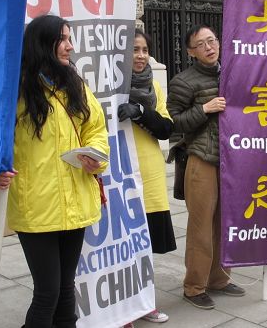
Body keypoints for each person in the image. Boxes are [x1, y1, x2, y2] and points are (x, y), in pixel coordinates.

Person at [0, 15, 109, 328]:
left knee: (66, 289)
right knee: (47, 292)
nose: (71, 46)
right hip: (37, 207)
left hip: (76, 199)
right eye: (64, 39)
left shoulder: (74, 82)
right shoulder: (12, 89)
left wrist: (97, 157)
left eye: (70, 38)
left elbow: (96, 128)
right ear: (43, 43)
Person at [167, 24, 245, 310]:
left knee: (225, 223)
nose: (209, 47)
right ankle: (194, 286)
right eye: (201, 44)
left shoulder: (234, 73)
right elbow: (174, 124)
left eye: (212, 40)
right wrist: (205, 109)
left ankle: (220, 279)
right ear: (191, 52)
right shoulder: (183, 82)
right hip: (201, 159)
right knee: (201, 226)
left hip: (232, 159)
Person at [118, 29, 176, 326]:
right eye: (133, 49)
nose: (140, 55)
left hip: (149, 172)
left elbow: (166, 128)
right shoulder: (108, 86)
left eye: (144, 49)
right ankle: (120, 308)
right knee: (120, 244)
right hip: (119, 174)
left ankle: (144, 304)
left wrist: (140, 110)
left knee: (143, 244)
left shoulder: (154, 86)